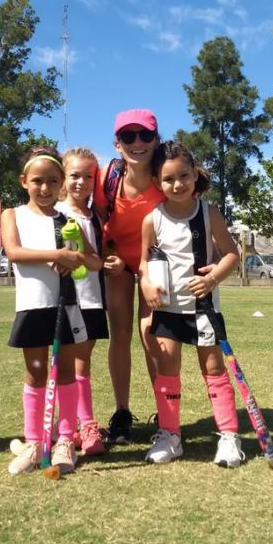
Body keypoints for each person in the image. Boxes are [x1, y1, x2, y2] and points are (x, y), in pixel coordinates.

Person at [138, 140, 244, 467]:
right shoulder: (152, 219)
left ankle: (229, 436)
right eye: (168, 179)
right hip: (168, 310)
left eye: (184, 176)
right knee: (166, 368)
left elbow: (232, 255)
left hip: (203, 309)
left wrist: (212, 279)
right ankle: (170, 436)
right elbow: (144, 264)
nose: (177, 184)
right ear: (157, 182)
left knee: (212, 368)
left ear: (195, 175)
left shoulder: (209, 213)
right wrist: (146, 286)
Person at [0, 147, 103, 475]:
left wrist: (77, 259)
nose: (44, 188)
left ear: (60, 185)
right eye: (37, 181)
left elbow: (92, 260)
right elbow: (14, 252)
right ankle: (34, 442)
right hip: (32, 305)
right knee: (36, 372)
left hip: (66, 306)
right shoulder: (12, 215)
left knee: (68, 373)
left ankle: (63, 441)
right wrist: (59, 254)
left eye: (52, 182)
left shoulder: (68, 220)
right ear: (24, 181)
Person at [92, 108, 166, 444]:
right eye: (128, 136)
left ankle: (166, 412)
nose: (137, 143)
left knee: (151, 334)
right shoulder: (107, 177)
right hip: (118, 264)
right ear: (117, 143)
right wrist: (109, 256)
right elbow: (95, 221)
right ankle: (122, 412)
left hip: (157, 264)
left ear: (155, 139)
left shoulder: (167, 176)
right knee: (119, 334)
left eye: (145, 135)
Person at [55, 147, 110, 456]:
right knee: (68, 364)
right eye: (74, 175)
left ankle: (82, 424)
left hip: (92, 298)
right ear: (64, 176)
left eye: (88, 176)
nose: (81, 182)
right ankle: (78, 424)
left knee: (84, 361)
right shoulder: (57, 210)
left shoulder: (95, 217)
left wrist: (108, 261)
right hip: (66, 301)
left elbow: (98, 258)